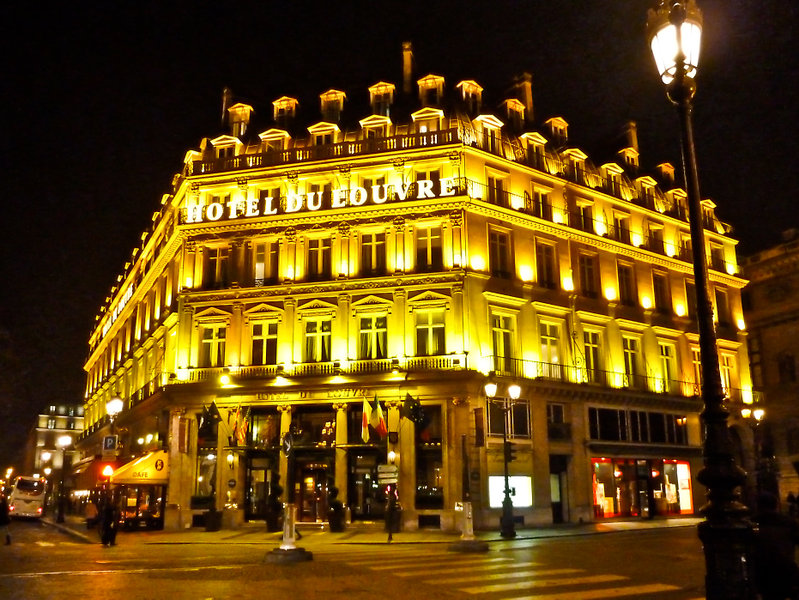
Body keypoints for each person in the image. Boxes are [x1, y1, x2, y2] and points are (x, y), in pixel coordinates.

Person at [753, 492, 799, 600]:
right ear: (776, 505)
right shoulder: (789, 522)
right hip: (787, 569)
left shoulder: (753, 523)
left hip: (763, 573)